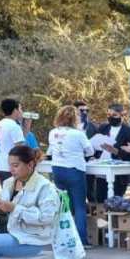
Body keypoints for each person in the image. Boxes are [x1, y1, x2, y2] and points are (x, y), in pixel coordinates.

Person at [48, 105, 95, 247]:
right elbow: (90, 151)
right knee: (79, 206)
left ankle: (62, 237)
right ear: (75, 118)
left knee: (63, 205)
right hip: (74, 170)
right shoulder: (78, 134)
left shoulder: (53, 132)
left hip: (58, 170)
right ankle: (81, 239)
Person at [94, 103, 130, 200]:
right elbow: (96, 144)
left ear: (122, 115)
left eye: (114, 115)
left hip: (119, 175)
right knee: (100, 199)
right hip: (102, 171)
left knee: (115, 202)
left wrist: (117, 151)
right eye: (109, 115)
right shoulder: (103, 128)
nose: (111, 117)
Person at [0, 99, 26, 183]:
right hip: (13, 168)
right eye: (20, 109)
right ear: (15, 110)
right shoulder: (14, 126)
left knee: (6, 194)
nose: (21, 111)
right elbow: (20, 149)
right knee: (16, 195)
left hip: (1, 166)